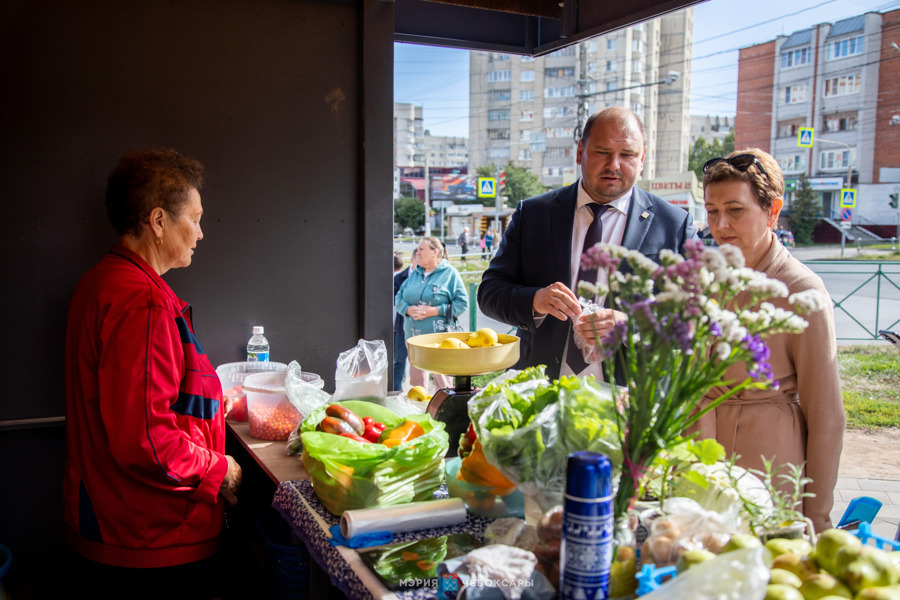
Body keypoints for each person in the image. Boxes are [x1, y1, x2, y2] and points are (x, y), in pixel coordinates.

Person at [64, 148, 242, 599]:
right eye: (195, 218)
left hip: (116, 524)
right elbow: (146, 440)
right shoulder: (142, 303)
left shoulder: (101, 283)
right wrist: (218, 469)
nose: (201, 233)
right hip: (149, 542)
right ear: (158, 221)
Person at [477, 107, 696, 381]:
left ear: (642, 158)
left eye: (627, 154)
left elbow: (695, 314)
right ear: (581, 151)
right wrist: (535, 300)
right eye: (602, 152)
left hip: (630, 401)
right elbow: (489, 293)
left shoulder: (674, 224)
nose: (614, 165)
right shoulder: (533, 214)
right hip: (541, 392)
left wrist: (633, 326)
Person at [692, 148, 843, 533]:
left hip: (769, 468)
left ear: (772, 211)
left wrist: (818, 517)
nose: (720, 224)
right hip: (703, 466)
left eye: (735, 209)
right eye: (712, 211)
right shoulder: (711, 279)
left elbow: (827, 417)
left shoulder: (803, 291)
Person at [396, 236, 469, 392]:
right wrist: (408, 310)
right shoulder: (415, 273)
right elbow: (399, 297)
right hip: (414, 339)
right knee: (416, 384)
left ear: (435, 252)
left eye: (422, 249)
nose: (418, 252)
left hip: (440, 339)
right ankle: (418, 412)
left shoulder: (450, 274)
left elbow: (462, 303)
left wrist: (434, 311)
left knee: (443, 382)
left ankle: (443, 413)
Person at [392, 249, 417, 391]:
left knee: (419, 365)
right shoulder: (400, 278)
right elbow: (397, 300)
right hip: (402, 326)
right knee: (399, 360)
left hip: (422, 328)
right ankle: (396, 391)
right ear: (412, 259)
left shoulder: (427, 278)